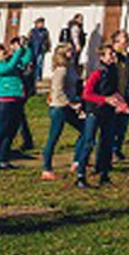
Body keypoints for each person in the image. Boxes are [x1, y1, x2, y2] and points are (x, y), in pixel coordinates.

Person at [74, 43, 128, 188]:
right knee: (89, 142)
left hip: (109, 112)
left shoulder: (114, 72)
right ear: (102, 57)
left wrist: (121, 102)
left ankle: (104, 174)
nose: (113, 57)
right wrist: (105, 99)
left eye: (114, 54)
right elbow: (87, 94)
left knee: (107, 142)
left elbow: (113, 90)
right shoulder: (97, 73)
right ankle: (80, 175)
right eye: (110, 54)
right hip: (95, 111)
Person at [0, 38, 34, 172]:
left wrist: (25, 48)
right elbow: (10, 67)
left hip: (16, 99)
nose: (5, 53)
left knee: (11, 131)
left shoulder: (11, 62)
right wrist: (17, 52)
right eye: (2, 52)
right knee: (1, 131)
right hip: (3, 101)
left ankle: (3, 158)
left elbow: (25, 61)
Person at [40, 44, 83, 180]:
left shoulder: (70, 67)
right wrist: (72, 104)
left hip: (67, 105)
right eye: (69, 50)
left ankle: (77, 161)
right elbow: (58, 91)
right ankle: (46, 169)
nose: (73, 52)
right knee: (53, 138)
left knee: (85, 129)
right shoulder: (61, 70)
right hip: (60, 107)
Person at [109, 30, 129, 160]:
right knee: (112, 125)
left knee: (122, 125)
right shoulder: (112, 56)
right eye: (123, 40)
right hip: (114, 95)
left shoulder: (127, 57)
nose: (126, 42)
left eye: (127, 39)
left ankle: (117, 148)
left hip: (125, 94)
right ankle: (110, 150)